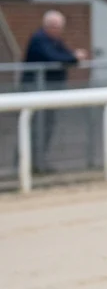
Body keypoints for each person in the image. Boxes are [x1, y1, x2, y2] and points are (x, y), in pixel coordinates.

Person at [23, 11, 88, 172]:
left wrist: (72, 57)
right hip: (36, 91)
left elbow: (65, 55)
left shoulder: (55, 40)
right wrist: (74, 57)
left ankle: (38, 163)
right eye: (55, 27)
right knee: (33, 129)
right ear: (48, 26)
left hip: (49, 91)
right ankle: (25, 164)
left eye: (60, 27)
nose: (58, 30)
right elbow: (53, 57)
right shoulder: (39, 39)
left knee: (46, 128)